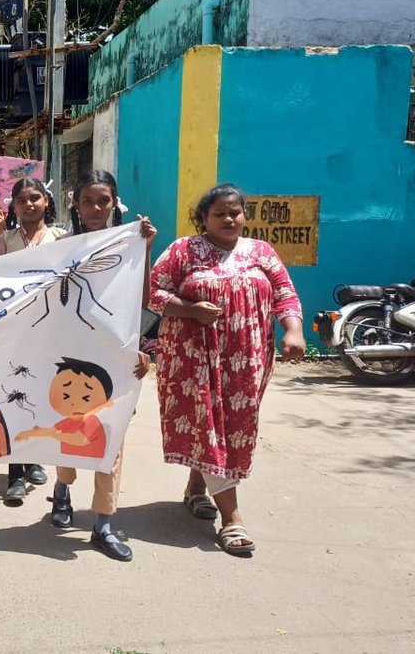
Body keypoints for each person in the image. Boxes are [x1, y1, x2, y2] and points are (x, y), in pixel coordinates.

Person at [149, 183, 305, 556]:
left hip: (246, 361)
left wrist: (293, 331)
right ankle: (232, 520)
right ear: (203, 219)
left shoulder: (260, 252)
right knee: (208, 428)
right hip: (192, 361)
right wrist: (189, 310)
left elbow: (285, 293)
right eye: (219, 213)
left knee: (232, 430)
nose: (229, 218)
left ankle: (195, 490)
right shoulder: (183, 251)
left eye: (234, 212)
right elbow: (153, 293)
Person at [40, 169, 156, 562]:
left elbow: (142, 300)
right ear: (76, 203)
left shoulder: (130, 245)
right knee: (71, 433)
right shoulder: (61, 247)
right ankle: (62, 488)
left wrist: (147, 249)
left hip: (116, 360)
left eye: (103, 201)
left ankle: (104, 523)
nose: (95, 208)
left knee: (111, 438)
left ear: (114, 203)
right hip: (70, 357)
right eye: (87, 201)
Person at [0, 177, 66, 503]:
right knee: (14, 398)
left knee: (42, 398)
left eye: (35, 198)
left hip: (51, 331)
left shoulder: (62, 237)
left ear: (46, 202)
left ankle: (35, 457)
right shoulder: (5, 239)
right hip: (15, 332)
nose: (29, 204)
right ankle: (14, 473)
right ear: (14, 206)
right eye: (22, 200)